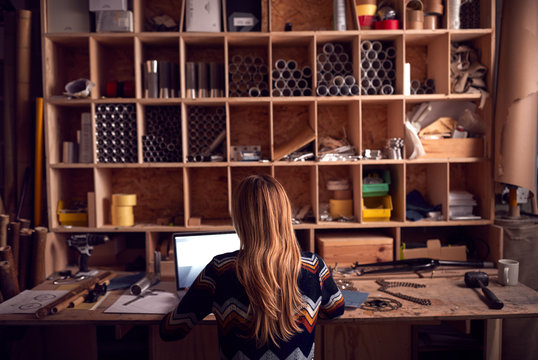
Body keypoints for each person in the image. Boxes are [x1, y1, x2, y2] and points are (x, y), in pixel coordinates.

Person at [160, 174, 345, 359]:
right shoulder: (313, 266)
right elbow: (336, 310)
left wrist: (191, 300)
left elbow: (171, 331)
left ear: (240, 218)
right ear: (285, 215)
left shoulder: (219, 270)